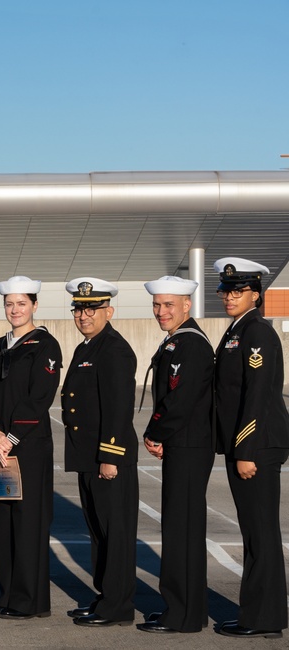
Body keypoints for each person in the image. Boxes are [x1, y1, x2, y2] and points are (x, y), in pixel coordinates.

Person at [212, 258, 289, 640]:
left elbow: (257, 396)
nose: (229, 297)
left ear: (255, 295)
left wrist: (245, 449)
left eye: (237, 291)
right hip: (247, 445)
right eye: (226, 290)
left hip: (256, 447)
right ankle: (257, 612)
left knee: (260, 534)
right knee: (254, 533)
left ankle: (264, 618)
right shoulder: (237, 331)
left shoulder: (256, 332)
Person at [0, 276, 61, 620]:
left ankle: (29, 600)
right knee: (5, 521)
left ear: (35, 306)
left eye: (22, 303)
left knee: (28, 523)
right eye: (10, 304)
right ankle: (8, 592)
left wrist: (9, 438)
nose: (15, 310)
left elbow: (40, 397)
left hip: (26, 447)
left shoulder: (45, 344)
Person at [136, 276, 214, 635]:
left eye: (169, 305)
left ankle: (182, 615)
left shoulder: (191, 345)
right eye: (157, 305)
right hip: (182, 443)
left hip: (188, 444)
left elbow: (180, 400)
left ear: (187, 306)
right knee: (179, 528)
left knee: (182, 530)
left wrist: (155, 432)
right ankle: (185, 610)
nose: (161, 311)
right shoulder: (178, 341)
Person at [61, 277, 138, 627]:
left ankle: (118, 606)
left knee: (115, 532)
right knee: (98, 531)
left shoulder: (115, 349)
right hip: (88, 456)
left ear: (109, 310)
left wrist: (110, 455)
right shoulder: (87, 347)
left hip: (108, 459)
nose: (83, 315)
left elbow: (119, 408)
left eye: (91, 309)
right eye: (79, 309)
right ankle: (105, 596)